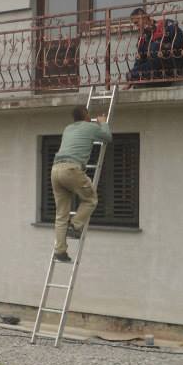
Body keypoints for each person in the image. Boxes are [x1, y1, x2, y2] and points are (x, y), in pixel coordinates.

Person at [50, 105, 112, 262]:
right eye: (88, 114)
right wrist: (103, 123)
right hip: (71, 169)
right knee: (90, 199)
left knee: (61, 214)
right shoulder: (90, 127)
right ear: (86, 115)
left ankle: (60, 251)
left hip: (55, 170)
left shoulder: (68, 129)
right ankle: (76, 226)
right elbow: (107, 137)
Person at [127, 7, 183, 86]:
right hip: (155, 69)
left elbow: (182, 40)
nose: (137, 26)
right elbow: (139, 59)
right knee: (130, 74)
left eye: (137, 23)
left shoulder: (166, 24)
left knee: (155, 47)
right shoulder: (143, 37)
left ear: (145, 17)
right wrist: (131, 79)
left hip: (171, 64)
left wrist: (164, 46)